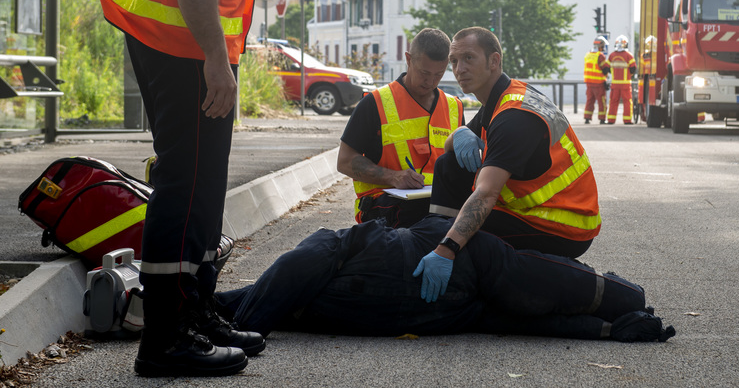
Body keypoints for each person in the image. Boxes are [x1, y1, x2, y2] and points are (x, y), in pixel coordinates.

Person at [87, 0, 266, 378]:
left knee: (200, 180)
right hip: (187, 46)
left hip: (156, 34)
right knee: (186, 185)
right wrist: (216, 58)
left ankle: (196, 312)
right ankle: (165, 338)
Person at [215, 215, 674, 344]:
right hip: (447, 310)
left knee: (531, 279)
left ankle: (624, 294)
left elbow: (293, 269)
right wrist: (610, 333)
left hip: (447, 253)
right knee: (517, 316)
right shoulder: (298, 312)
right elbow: (517, 325)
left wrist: (252, 328)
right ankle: (620, 318)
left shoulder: (318, 253)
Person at [417, 27, 601, 302]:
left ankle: (448, 261)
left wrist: (447, 248)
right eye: (454, 61)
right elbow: (451, 151)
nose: (459, 68)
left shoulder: (513, 116)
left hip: (563, 224)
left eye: (469, 58)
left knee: (465, 240)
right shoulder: (501, 98)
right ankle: (435, 236)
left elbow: (487, 193)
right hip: (535, 209)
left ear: (494, 61)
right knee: (448, 164)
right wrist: (460, 134)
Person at [337, 28, 464, 228]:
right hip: (385, 205)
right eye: (424, 73)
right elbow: (344, 162)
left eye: (438, 74)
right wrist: (393, 177)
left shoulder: (454, 108)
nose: (430, 82)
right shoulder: (375, 103)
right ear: (408, 59)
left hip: (438, 205)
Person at [607, 35, 636, 125]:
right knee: (627, 102)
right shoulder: (629, 55)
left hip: (615, 84)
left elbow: (607, 68)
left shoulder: (612, 55)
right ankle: (627, 120)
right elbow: (633, 69)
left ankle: (611, 120)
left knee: (613, 101)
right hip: (625, 84)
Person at [583, 36, 610, 124]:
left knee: (589, 100)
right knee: (601, 101)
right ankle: (602, 119)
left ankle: (587, 118)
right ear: (601, 45)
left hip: (589, 82)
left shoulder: (588, 54)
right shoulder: (600, 56)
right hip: (598, 83)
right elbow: (605, 69)